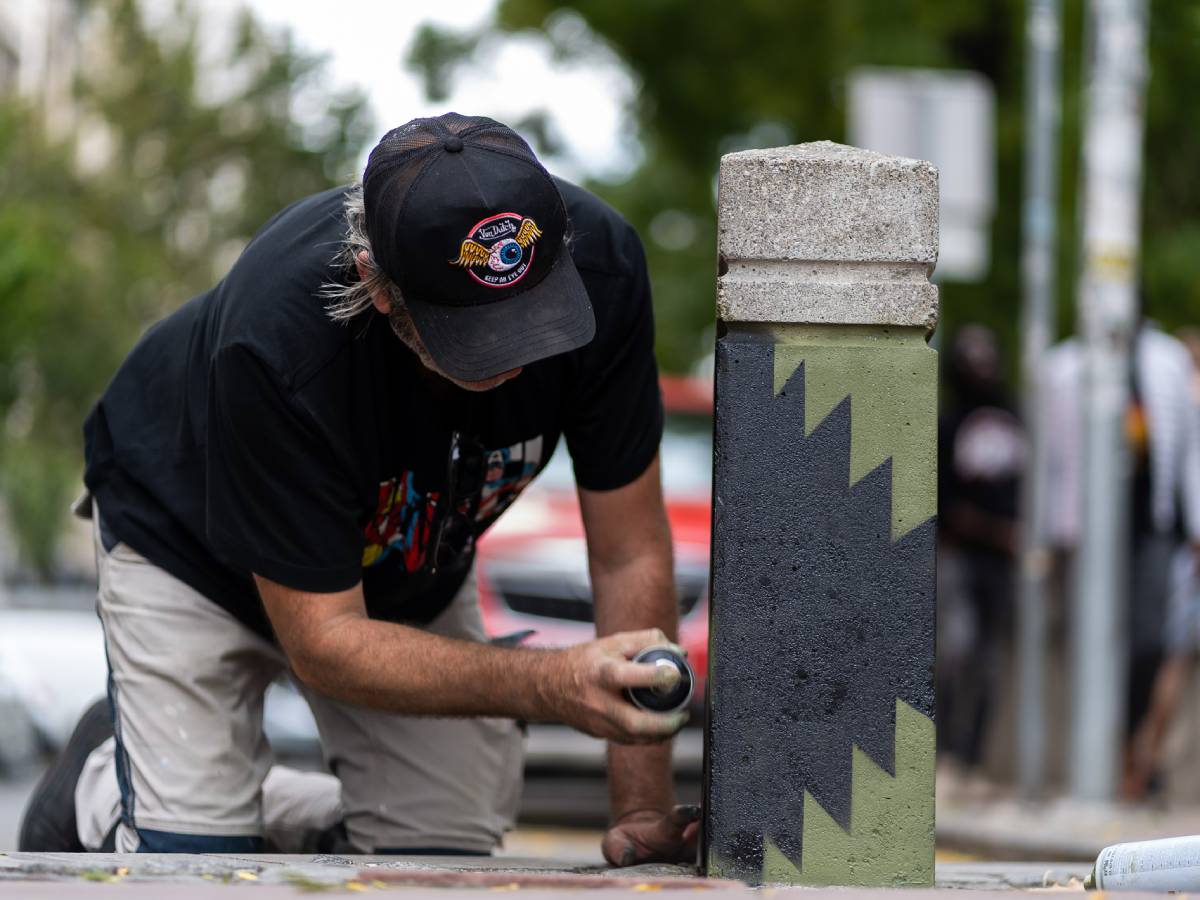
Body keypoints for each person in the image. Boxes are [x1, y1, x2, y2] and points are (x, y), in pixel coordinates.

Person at [19, 113, 697, 863]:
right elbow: (327, 644)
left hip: (402, 563)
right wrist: (549, 681)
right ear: (377, 284)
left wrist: (641, 810)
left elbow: (629, 552)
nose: (517, 358)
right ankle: (106, 787)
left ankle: (256, 807)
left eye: (536, 320)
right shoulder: (276, 341)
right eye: (476, 336)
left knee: (436, 859)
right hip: (190, 547)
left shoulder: (607, 270)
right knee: (194, 865)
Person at [1040, 318, 1200, 796]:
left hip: (1154, 528)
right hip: (1088, 534)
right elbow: (1053, 458)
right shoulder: (1065, 366)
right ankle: (1103, 764)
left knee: (1152, 641)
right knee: (1090, 645)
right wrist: (1057, 530)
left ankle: (1134, 749)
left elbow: (1189, 451)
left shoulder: (1169, 360)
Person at [936, 325, 1024, 771]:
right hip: (962, 556)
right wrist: (996, 532)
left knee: (990, 661)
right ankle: (947, 748)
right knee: (957, 648)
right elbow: (945, 505)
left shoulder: (1014, 416)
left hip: (1003, 561)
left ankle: (972, 755)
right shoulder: (949, 422)